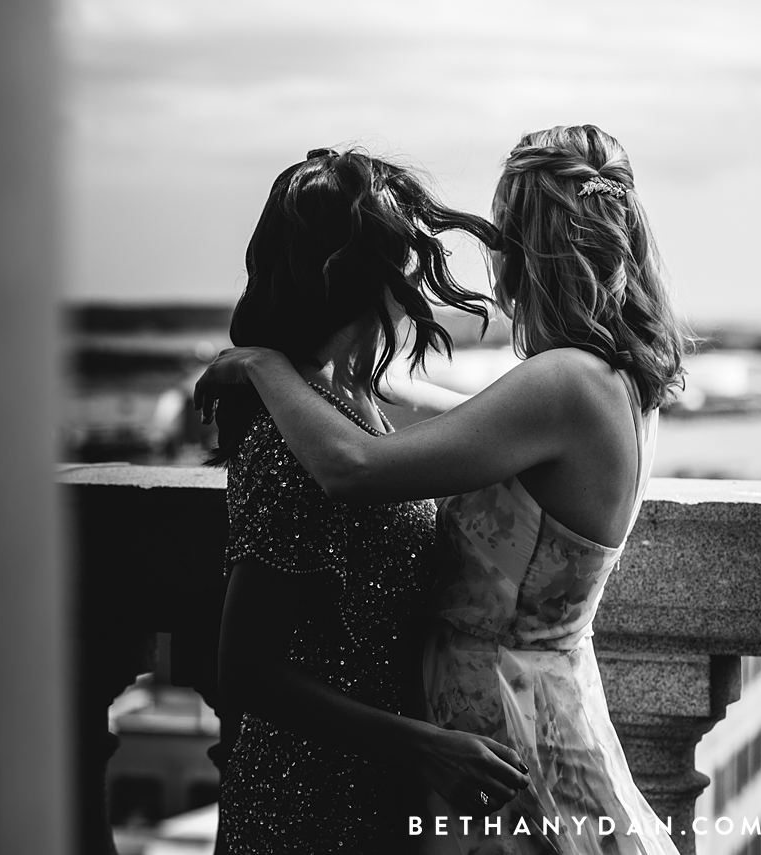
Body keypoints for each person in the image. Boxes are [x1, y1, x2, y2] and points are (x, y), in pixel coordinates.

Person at [196, 125, 692, 855]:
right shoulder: (617, 380)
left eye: (501, 239)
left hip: (497, 735)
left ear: (530, 250)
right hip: (505, 727)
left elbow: (355, 466)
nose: (493, 268)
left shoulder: (562, 382)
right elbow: (460, 427)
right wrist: (340, 381)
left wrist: (263, 366)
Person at [211, 146, 532, 855]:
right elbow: (244, 670)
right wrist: (425, 746)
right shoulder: (287, 443)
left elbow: (480, 421)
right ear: (353, 268)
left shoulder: (351, 400)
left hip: (373, 787)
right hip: (305, 805)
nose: (424, 265)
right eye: (408, 247)